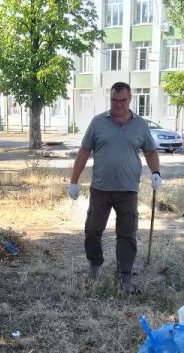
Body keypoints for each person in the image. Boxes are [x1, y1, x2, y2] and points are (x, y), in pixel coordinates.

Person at [66, 81, 161, 295]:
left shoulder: (140, 125)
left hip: (128, 190)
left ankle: (125, 275)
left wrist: (156, 173)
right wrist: (74, 181)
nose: (118, 105)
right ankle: (94, 264)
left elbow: (150, 152)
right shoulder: (98, 123)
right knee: (92, 230)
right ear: (110, 99)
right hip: (100, 188)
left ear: (129, 100)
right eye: (114, 100)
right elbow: (84, 151)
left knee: (127, 233)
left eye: (123, 101)